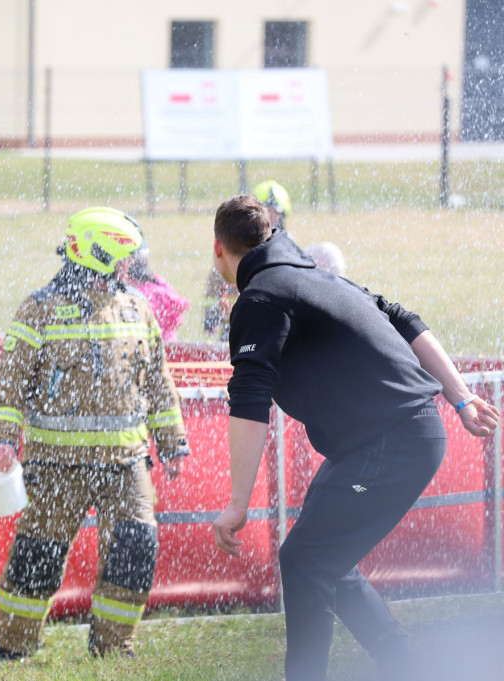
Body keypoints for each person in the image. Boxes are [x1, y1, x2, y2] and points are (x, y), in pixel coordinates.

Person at [208, 195, 499, 681]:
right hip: (396, 436)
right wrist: (462, 398)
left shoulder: (260, 298)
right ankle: (408, 666)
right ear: (272, 234)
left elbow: (251, 397)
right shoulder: (315, 276)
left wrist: (238, 502)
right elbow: (403, 318)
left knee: (304, 560)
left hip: (393, 442)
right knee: (323, 558)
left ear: (218, 249)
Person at [0, 207, 191, 659]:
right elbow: (9, 381)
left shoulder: (137, 307)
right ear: (97, 254)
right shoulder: (39, 309)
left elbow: (158, 381)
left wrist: (173, 443)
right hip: (56, 467)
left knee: (135, 549)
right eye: (122, 257)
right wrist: (2, 436)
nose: (129, 267)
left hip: (126, 463)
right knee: (38, 556)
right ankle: (14, 649)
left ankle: (113, 648)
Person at [203, 180, 292, 342]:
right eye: (267, 213)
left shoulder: (290, 252)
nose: (272, 219)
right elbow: (216, 283)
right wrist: (211, 316)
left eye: (276, 214)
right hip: (234, 327)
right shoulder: (233, 249)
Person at [121, 247, 189, 342]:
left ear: (130, 277)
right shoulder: (160, 286)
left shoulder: (140, 296)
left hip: (151, 344)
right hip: (170, 341)